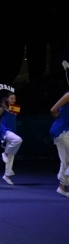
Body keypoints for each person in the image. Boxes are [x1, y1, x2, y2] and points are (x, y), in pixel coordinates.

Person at [0, 84, 22, 185]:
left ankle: (7, 175)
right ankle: (5, 153)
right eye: (11, 98)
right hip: (5, 131)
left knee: (11, 155)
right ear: (7, 99)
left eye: (14, 98)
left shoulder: (14, 108)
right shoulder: (2, 108)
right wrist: (1, 122)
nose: (13, 100)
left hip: (12, 130)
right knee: (18, 140)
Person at [51, 59, 69, 198]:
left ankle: (62, 187)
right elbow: (53, 110)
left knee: (65, 161)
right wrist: (60, 119)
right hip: (62, 130)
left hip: (61, 130)